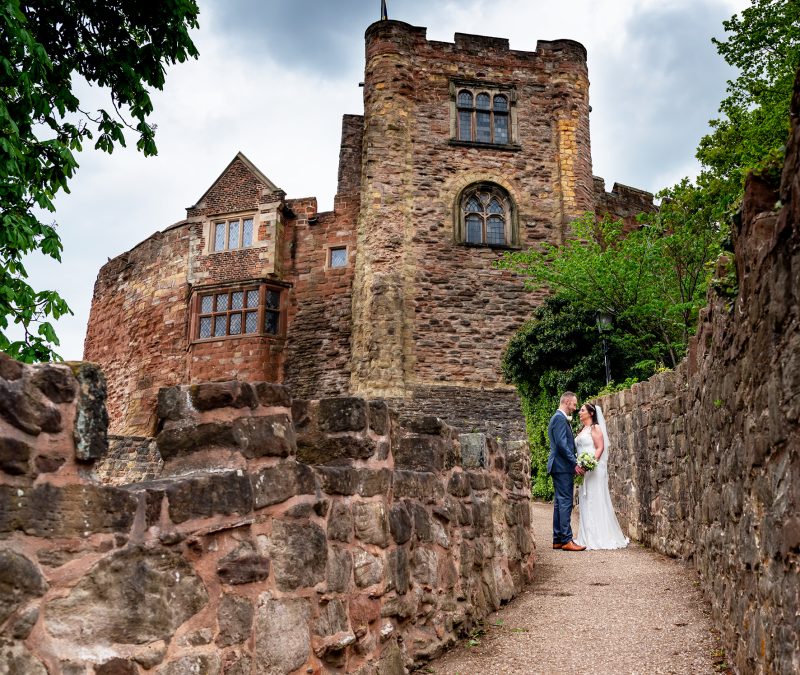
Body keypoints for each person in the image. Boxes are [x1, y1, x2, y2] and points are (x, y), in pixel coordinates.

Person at [574, 402, 629, 550]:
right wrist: (580, 466)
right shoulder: (583, 429)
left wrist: (589, 464)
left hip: (593, 469)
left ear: (591, 413)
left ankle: (599, 537)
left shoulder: (595, 428)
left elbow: (600, 447)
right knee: (586, 500)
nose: (579, 412)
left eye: (582, 410)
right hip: (583, 470)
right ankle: (586, 536)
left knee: (595, 498)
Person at [547, 391, 586, 551]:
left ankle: (558, 539)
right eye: (574, 404)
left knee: (559, 502)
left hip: (559, 466)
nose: (575, 408)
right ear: (567, 401)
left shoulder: (559, 418)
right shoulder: (559, 418)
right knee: (565, 502)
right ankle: (566, 540)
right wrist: (575, 462)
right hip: (562, 466)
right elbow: (562, 445)